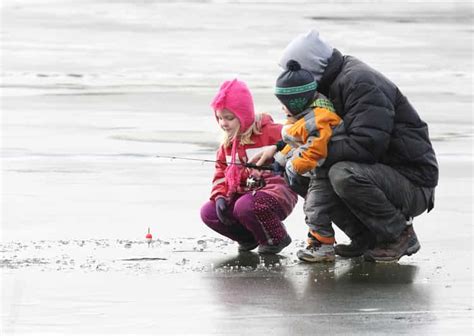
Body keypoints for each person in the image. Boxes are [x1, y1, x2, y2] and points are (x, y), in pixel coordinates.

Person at [253, 30, 439, 262]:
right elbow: (313, 132)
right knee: (299, 173)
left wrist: (307, 156)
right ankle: (365, 238)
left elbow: (367, 145)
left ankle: (399, 234)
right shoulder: (326, 88)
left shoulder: (361, 82)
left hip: (412, 181)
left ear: (312, 68)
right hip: (378, 172)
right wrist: (281, 149)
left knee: (341, 173)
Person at [200, 79, 298, 254]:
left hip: (276, 192)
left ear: (244, 115)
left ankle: (276, 237)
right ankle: (249, 237)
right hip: (244, 194)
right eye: (220, 118)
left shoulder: (271, 131)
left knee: (245, 206)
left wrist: (279, 152)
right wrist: (220, 196)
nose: (223, 123)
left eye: (229, 118)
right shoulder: (226, 145)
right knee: (209, 211)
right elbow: (220, 174)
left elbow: (296, 138)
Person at [269, 59, 343, 262]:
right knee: (314, 207)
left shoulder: (319, 119)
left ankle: (324, 246)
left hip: (325, 173)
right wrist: (279, 160)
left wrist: (293, 166)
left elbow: (314, 150)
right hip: (319, 172)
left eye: (284, 104)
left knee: (315, 208)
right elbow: (294, 143)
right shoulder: (303, 116)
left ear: (296, 101)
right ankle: (319, 242)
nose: (282, 109)